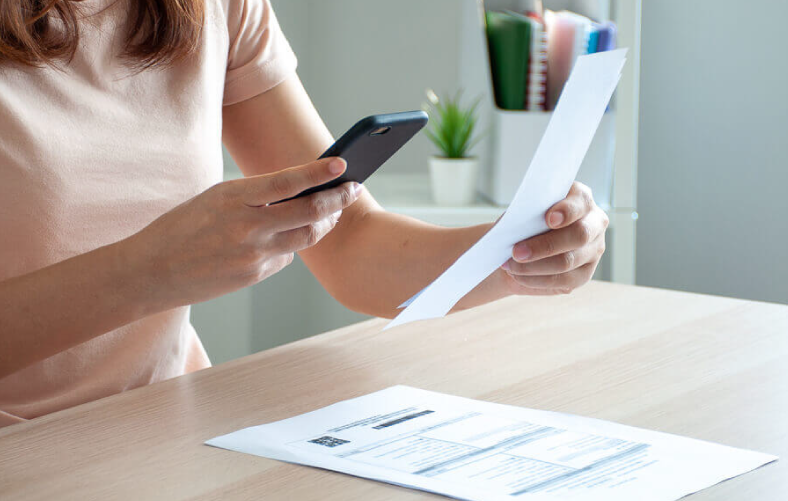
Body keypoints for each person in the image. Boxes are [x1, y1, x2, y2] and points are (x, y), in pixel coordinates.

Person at [0, 0, 608, 427]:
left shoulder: (217, 8)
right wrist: (147, 271)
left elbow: (348, 243)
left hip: (161, 422)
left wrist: (516, 252)